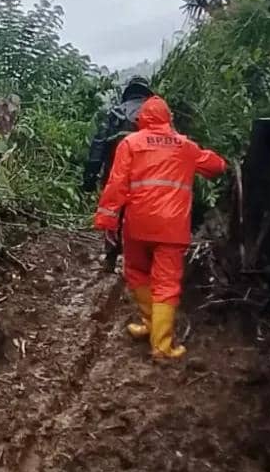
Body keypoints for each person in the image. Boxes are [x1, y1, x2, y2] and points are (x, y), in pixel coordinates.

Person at [93, 95, 227, 359]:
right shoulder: (185, 146)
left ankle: (150, 325)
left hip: (138, 224)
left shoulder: (130, 143)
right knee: (166, 283)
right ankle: (162, 345)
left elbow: (116, 184)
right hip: (173, 228)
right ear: (169, 119)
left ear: (141, 119)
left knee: (136, 272)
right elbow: (216, 166)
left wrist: (107, 220)